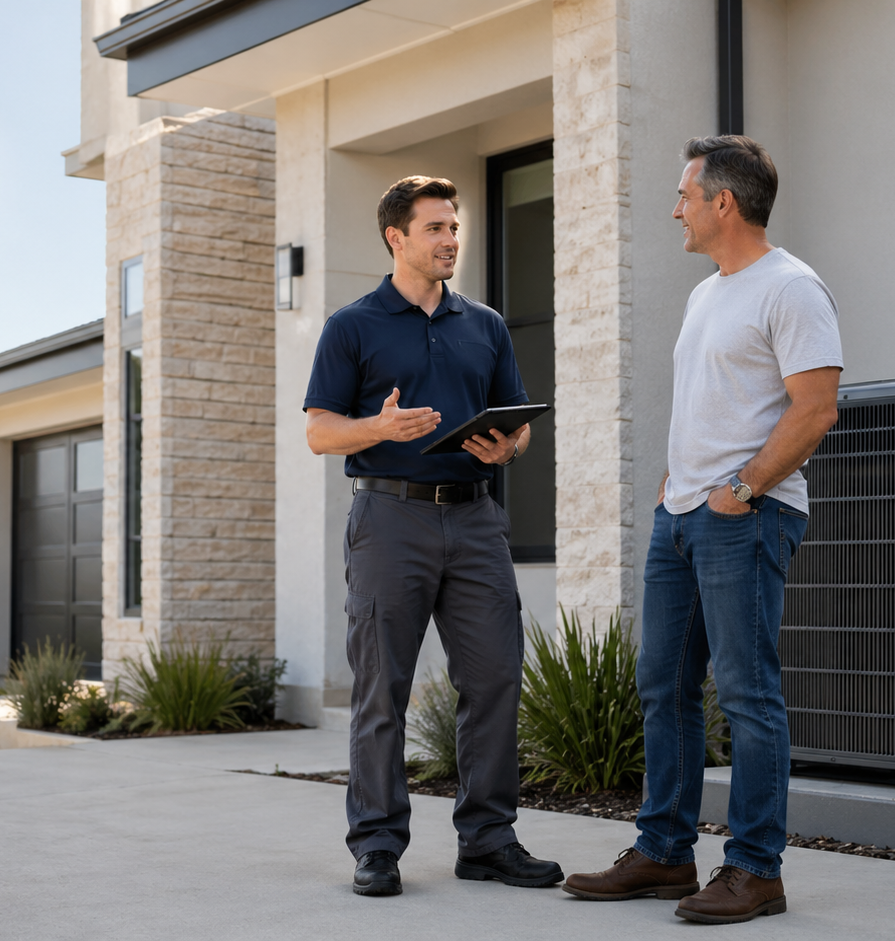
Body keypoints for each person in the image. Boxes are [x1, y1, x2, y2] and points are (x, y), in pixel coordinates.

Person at [562, 136, 842, 924]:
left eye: (685, 195)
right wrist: (675, 484)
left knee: (748, 695)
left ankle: (756, 868)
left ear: (725, 202)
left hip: (744, 519)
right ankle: (664, 852)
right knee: (663, 686)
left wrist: (743, 488)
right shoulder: (705, 292)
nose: (674, 209)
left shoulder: (791, 287)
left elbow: (815, 407)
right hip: (681, 518)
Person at [303, 175, 562, 898]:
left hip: (476, 517)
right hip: (390, 517)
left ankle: (488, 838)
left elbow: (519, 426)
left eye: (455, 226)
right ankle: (378, 844)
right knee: (382, 686)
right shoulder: (352, 325)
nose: (452, 239)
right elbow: (320, 430)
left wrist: (505, 448)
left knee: (495, 678)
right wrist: (378, 428)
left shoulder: (484, 324)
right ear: (397, 237)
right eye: (437, 228)